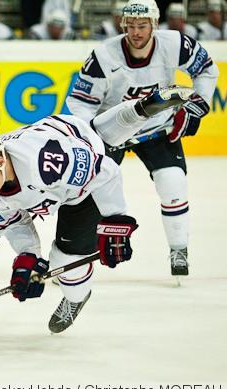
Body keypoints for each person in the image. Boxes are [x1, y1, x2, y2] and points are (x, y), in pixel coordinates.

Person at [0, 86, 193, 333]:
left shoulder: (45, 163)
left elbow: (105, 172)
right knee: (100, 132)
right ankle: (140, 109)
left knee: (66, 259)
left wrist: (116, 221)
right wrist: (27, 257)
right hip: (72, 139)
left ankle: (76, 297)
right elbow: (14, 222)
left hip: (81, 179)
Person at [66, 0, 219, 277]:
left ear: (154, 25)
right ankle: (73, 252)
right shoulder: (104, 55)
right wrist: (89, 135)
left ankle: (178, 248)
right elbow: (80, 102)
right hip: (113, 131)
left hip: (156, 126)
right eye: (131, 26)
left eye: (142, 26)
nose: (136, 32)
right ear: (123, 25)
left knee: (173, 182)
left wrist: (196, 106)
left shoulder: (175, 44)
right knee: (88, 193)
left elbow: (206, 69)